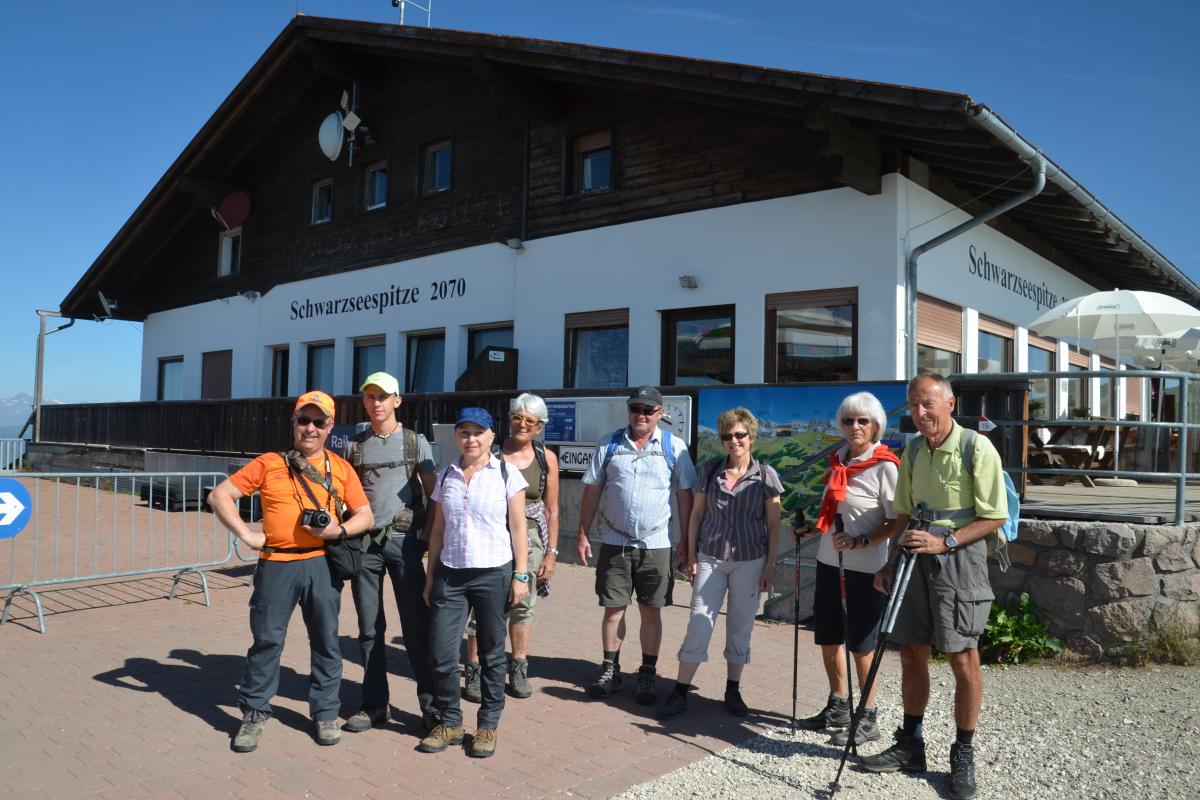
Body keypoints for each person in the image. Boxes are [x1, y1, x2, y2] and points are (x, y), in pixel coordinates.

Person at [861, 373, 1007, 800]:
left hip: (959, 561)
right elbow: (903, 513)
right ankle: (911, 743)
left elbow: (994, 515)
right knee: (911, 653)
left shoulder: (975, 447)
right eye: (913, 405)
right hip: (913, 558)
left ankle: (963, 752)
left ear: (950, 403)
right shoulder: (911, 450)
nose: (919, 413)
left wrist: (944, 541)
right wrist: (889, 562)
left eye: (927, 404)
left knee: (963, 657)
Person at [208, 390, 374, 753]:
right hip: (277, 565)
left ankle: (326, 713)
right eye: (304, 420)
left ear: (330, 426)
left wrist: (338, 531)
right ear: (294, 423)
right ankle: (253, 714)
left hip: (321, 564)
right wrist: (247, 535)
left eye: (319, 422)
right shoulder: (269, 463)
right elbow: (220, 496)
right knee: (266, 641)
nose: (311, 428)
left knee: (327, 643)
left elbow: (366, 514)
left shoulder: (341, 468)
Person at [657, 407, 781, 720]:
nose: (733, 440)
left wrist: (769, 566)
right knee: (699, 620)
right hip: (710, 556)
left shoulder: (766, 475)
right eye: (727, 435)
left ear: (751, 436)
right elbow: (697, 514)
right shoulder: (710, 470)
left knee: (741, 624)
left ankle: (733, 689)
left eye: (740, 434)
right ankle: (681, 690)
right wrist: (691, 552)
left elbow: (774, 524)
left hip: (750, 559)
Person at [419, 408, 530, 759]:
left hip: (493, 572)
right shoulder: (446, 475)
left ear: (491, 436)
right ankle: (451, 721)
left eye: (478, 432)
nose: (471, 439)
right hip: (450, 572)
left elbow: (518, 528)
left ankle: (487, 725)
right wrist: (431, 574)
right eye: (464, 432)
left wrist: (521, 574)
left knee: (493, 653)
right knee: (440, 650)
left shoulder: (506, 474)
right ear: (456, 437)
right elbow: (437, 530)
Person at [577, 386, 697, 705]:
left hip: (657, 545)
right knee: (613, 609)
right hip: (615, 541)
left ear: (660, 413)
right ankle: (609, 669)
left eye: (647, 410)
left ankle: (647, 672)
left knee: (651, 611)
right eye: (635, 409)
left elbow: (686, 497)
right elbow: (591, 490)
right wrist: (582, 533)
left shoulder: (675, 446)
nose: (640, 415)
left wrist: (686, 541)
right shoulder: (609, 443)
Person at [794, 391, 899, 745]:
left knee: (861, 643)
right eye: (848, 421)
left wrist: (860, 541)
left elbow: (898, 521)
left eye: (862, 421)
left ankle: (867, 717)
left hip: (866, 566)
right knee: (828, 635)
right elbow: (834, 511)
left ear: (875, 426)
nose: (855, 426)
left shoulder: (885, 466)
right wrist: (812, 528)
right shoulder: (837, 460)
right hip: (829, 561)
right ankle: (838, 705)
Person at [341, 371, 439, 734]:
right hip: (365, 547)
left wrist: (428, 540)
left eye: (383, 396)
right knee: (369, 629)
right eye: (370, 396)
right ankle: (374, 705)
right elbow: (345, 496)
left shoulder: (415, 444)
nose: (376, 402)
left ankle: (431, 708)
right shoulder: (354, 446)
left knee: (416, 628)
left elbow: (436, 496)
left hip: (405, 543)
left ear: (397, 400)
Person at [462, 393, 561, 701]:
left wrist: (552, 552)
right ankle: (474, 669)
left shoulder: (546, 458)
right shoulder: (490, 452)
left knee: (523, 605)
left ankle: (518, 666)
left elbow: (552, 509)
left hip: (530, 538)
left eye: (530, 421)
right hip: (492, 534)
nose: (522, 425)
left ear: (539, 427)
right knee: (482, 606)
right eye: (517, 417)